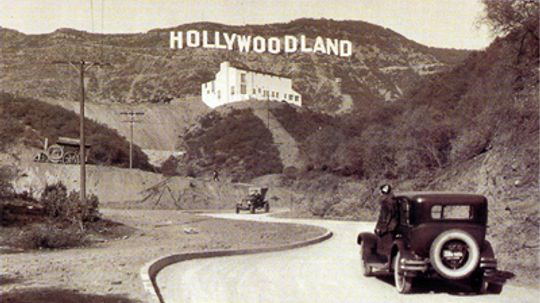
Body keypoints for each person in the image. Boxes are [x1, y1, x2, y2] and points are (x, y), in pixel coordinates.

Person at [374, 184, 399, 256]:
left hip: (388, 227)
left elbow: (384, 216)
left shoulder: (385, 201)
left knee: (385, 245)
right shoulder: (393, 199)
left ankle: (385, 260)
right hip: (392, 225)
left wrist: (380, 227)